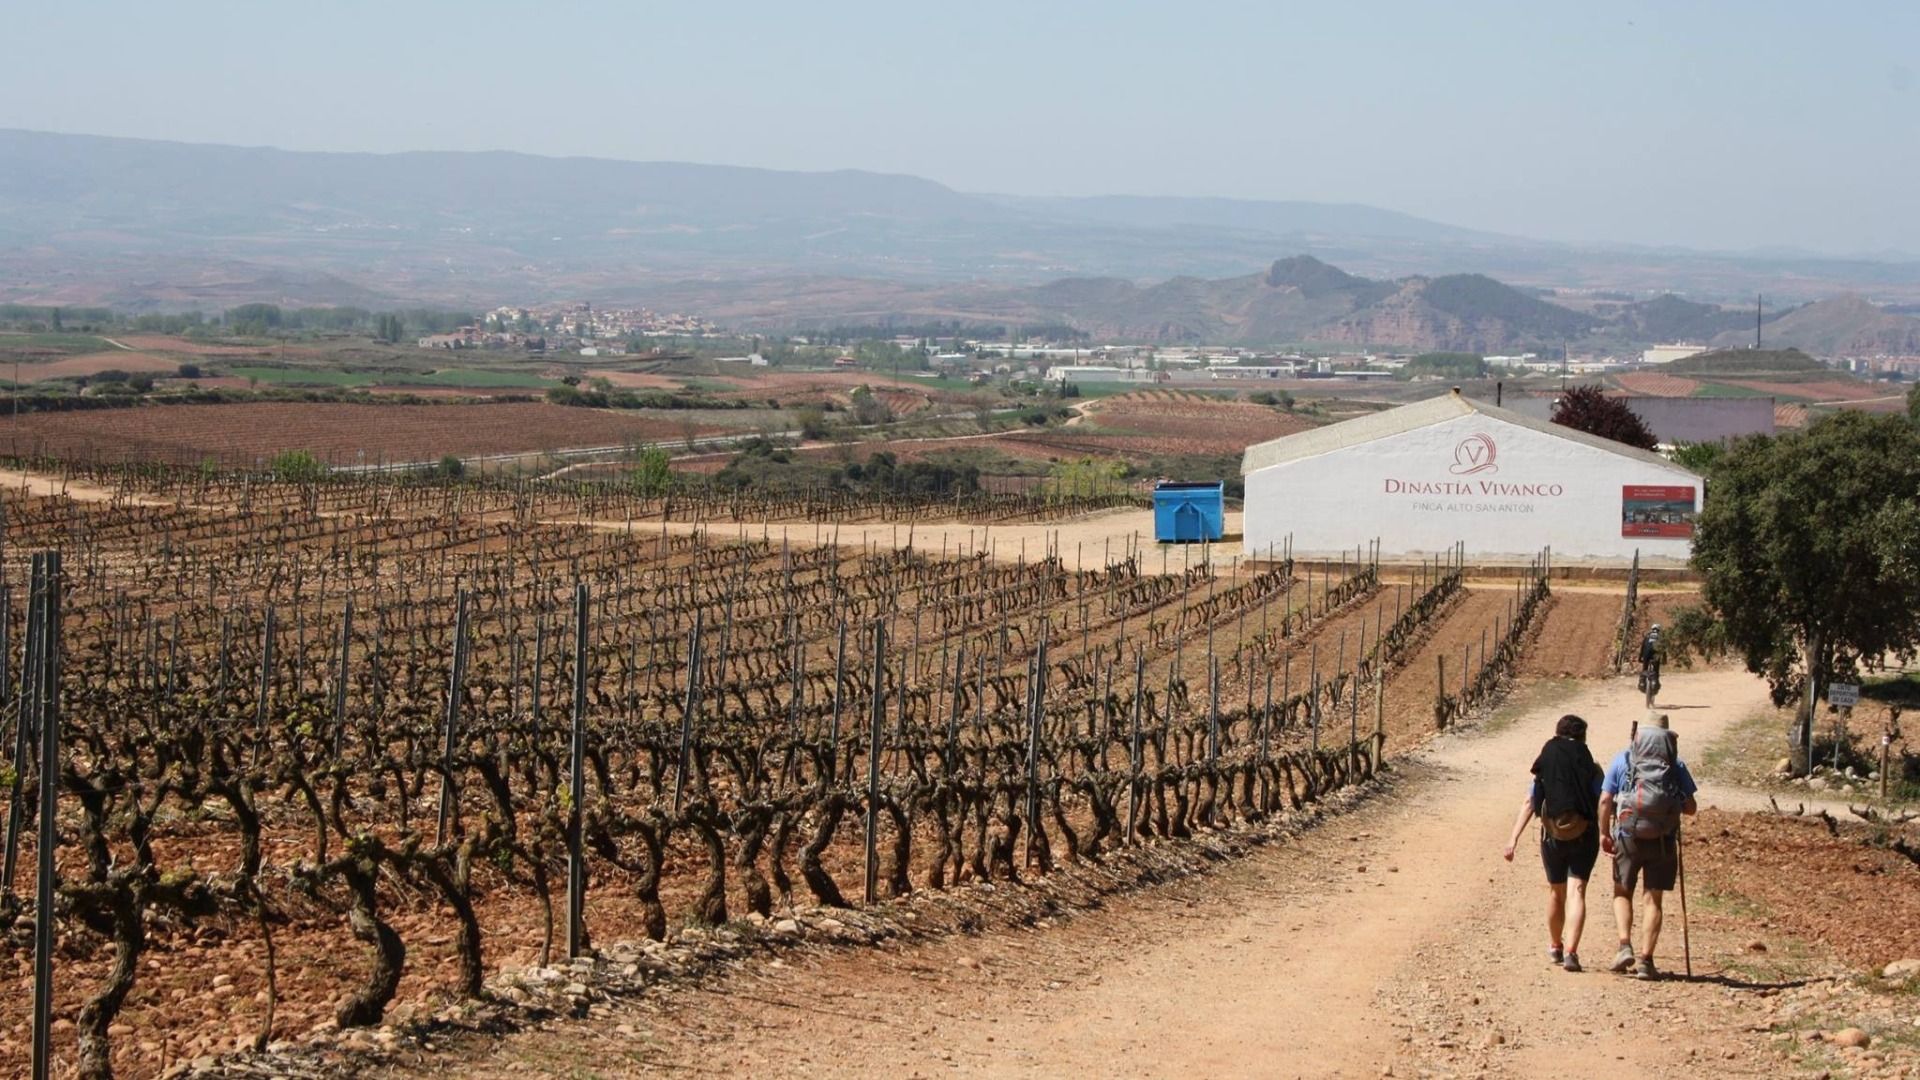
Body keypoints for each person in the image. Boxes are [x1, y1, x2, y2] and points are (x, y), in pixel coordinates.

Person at [1598, 713, 1698, 979]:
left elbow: (1606, 799)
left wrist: (1604, 832)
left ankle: (1624, 945)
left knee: (1622, 891)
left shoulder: (1624, 759)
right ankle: (1646, 960)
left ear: (1637, 735)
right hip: (1663, 840)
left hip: (1628, 836)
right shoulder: (1675, 765)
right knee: (1653, 898)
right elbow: (1691, 808)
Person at [1504, 714, 1602, 972]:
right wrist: (1607, 833)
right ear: (1583, 737)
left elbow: (1531, 801)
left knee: (1556, 892)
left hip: (1552, 836)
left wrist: (1513, 838)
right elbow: (1603, 802)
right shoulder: (1590, 765)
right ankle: (1572, 951)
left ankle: (1555, 945)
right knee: (1577, 891)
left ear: (1558, 733)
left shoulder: (1547, 761)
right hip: (1584, 834)